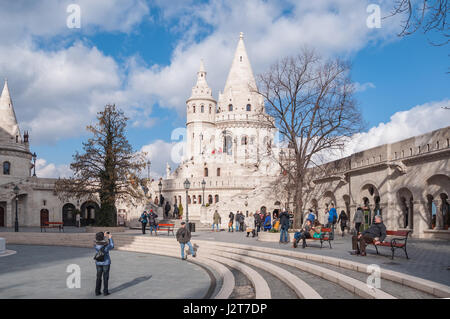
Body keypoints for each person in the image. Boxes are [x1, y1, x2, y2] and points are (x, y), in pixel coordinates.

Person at [94, 231, 114, 296]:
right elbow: (112, 246)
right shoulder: (106, 245)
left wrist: (104, 236)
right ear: (102, 237)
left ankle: (97, 291)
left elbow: (100, 241)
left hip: (98, 262)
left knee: (98, 277)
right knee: (105, 277)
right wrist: (110, 238)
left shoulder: (95, 244)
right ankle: (105, 292)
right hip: (106, 262)